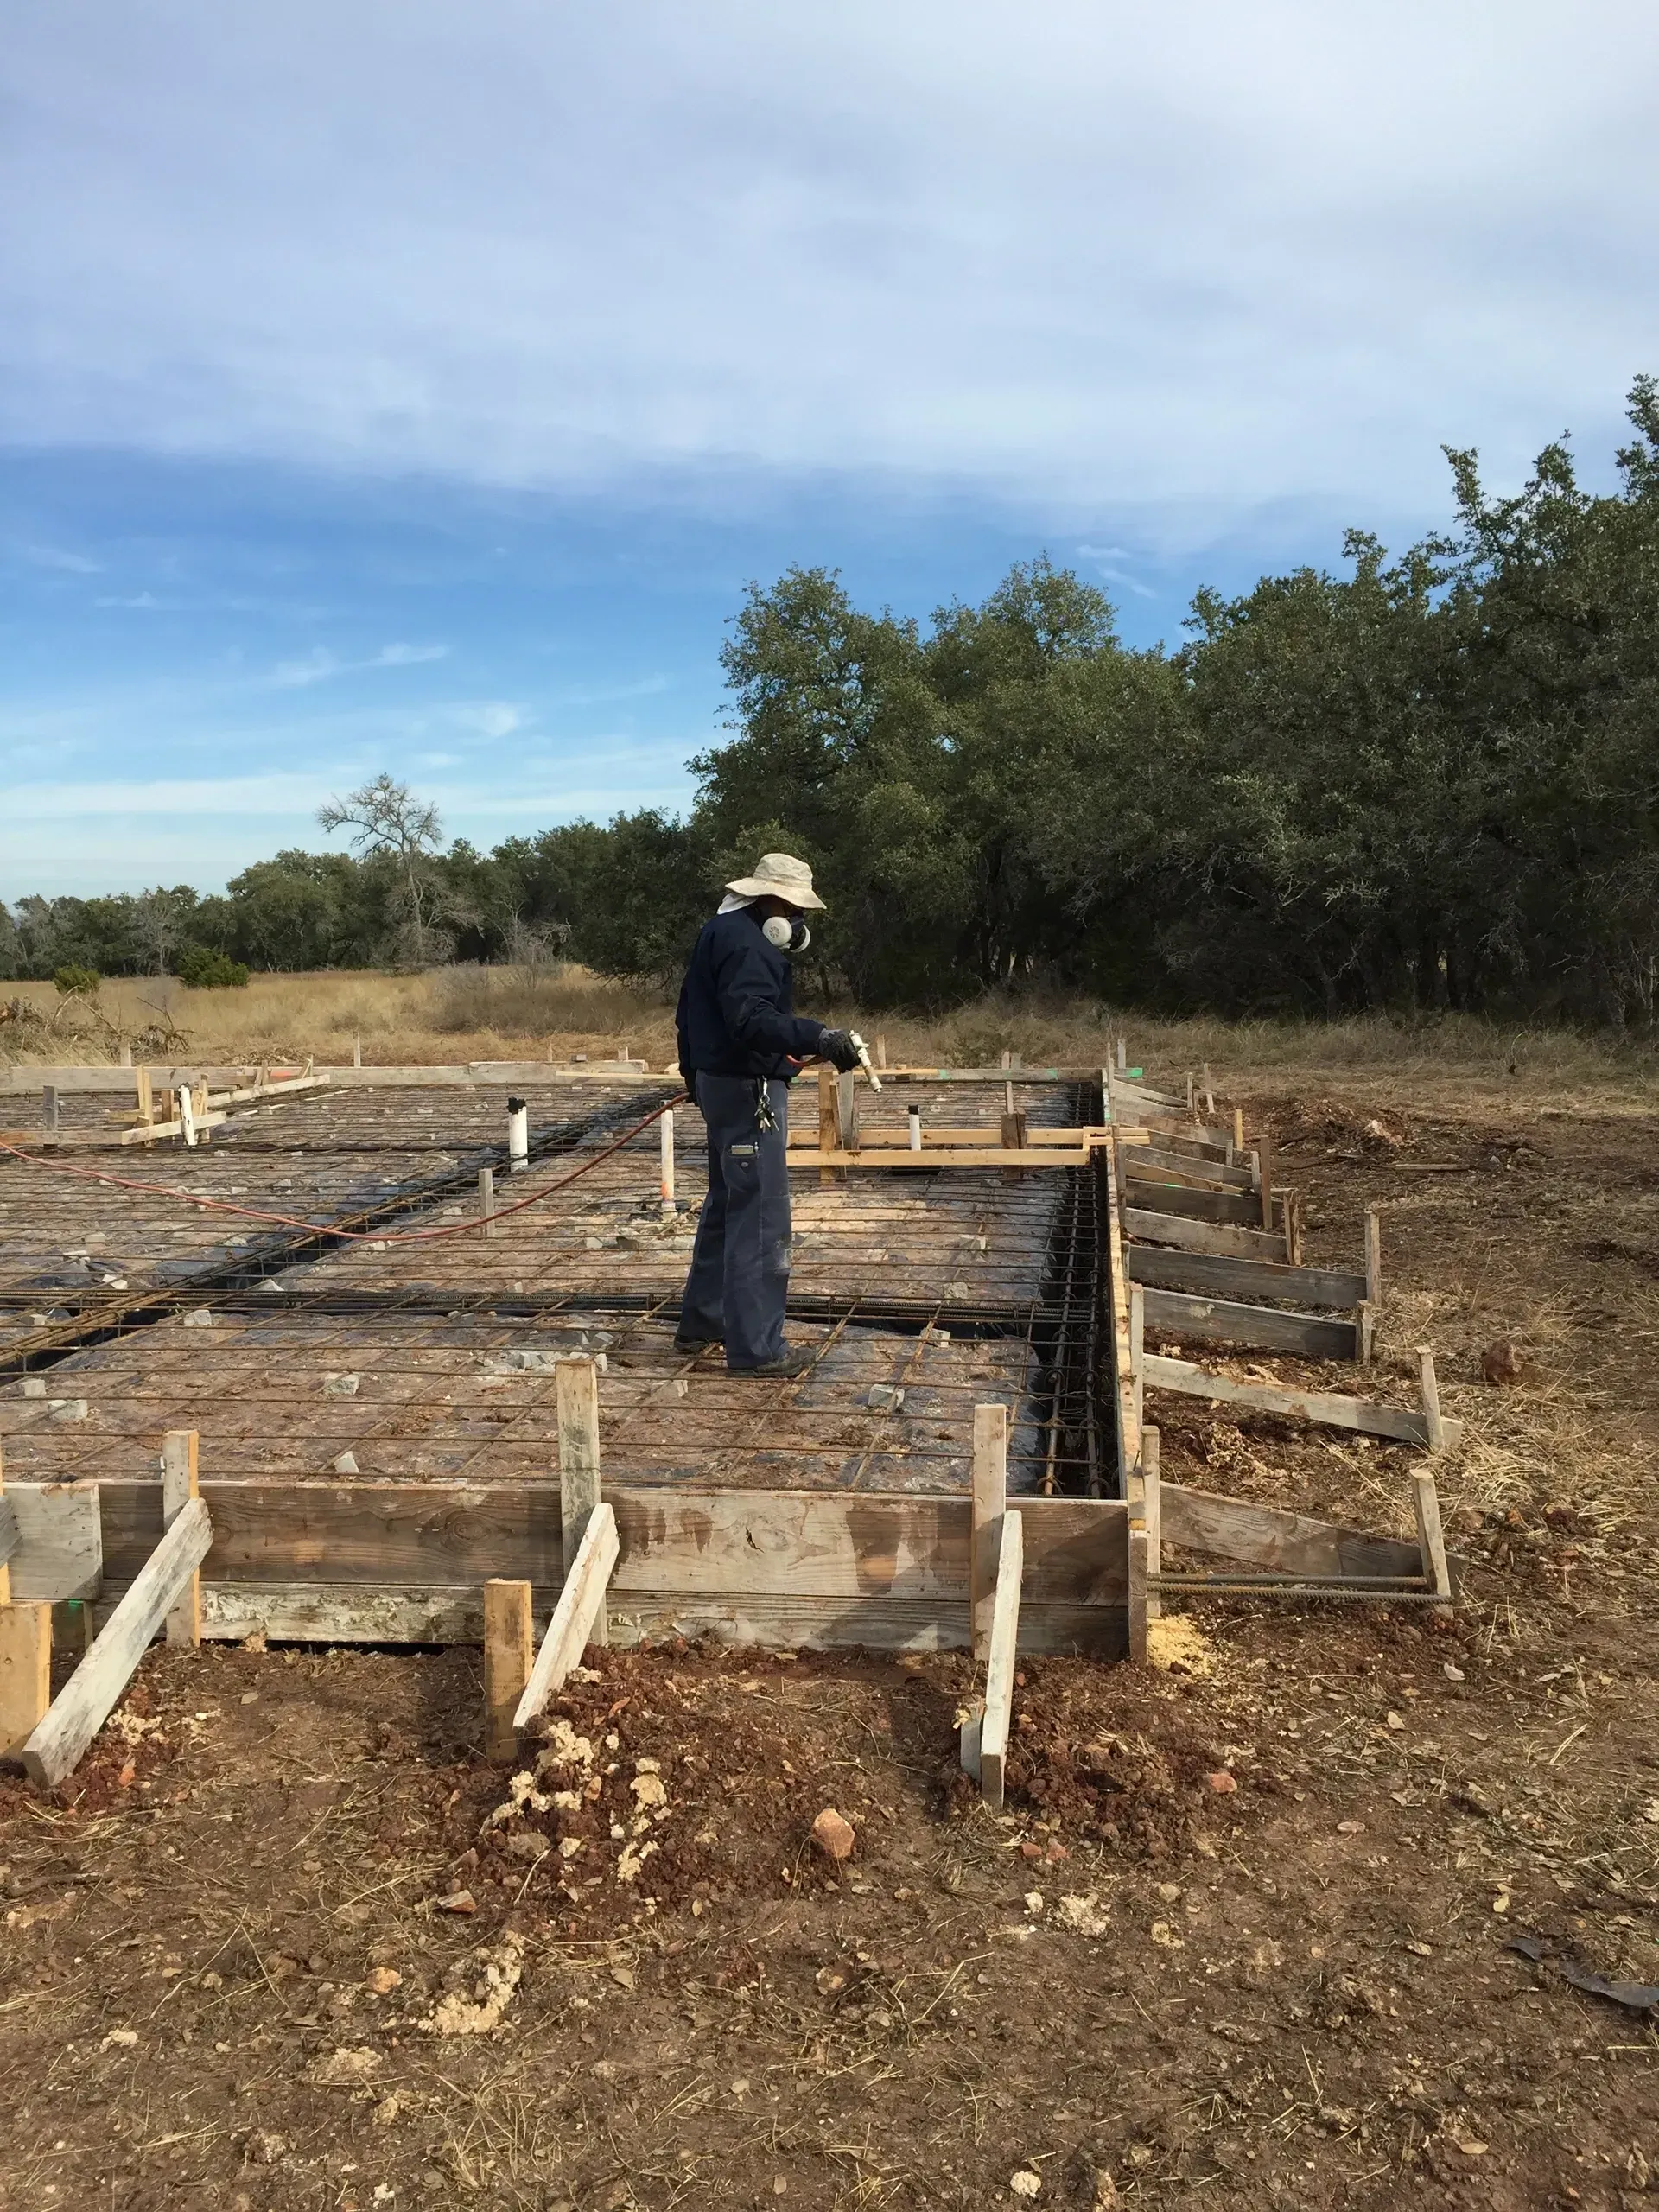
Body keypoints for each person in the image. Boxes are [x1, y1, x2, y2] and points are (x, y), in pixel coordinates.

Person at [673, 852, 861, 1376]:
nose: (797, 922)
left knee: (727, 1204)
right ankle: (757, 1351)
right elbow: (752, 1018)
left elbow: (688, 1012)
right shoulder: (750, 943)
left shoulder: (719, 931)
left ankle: (703, 1323)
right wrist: (817, 1034)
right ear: (770, 902)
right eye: (794, 908)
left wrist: (697, 1078)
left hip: (720, 1085)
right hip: (748, 1092)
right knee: (760, 1216)